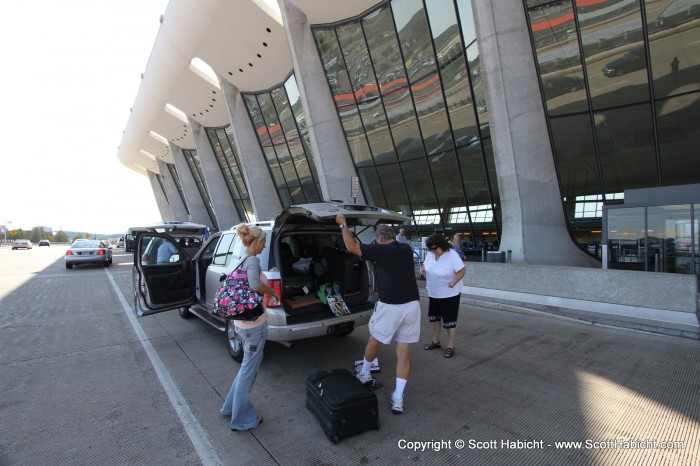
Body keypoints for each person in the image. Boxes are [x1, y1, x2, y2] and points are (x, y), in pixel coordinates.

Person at [336, 215, 420, 415]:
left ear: (380, 238)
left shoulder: (381, 250)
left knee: (374, 339)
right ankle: (398, 398)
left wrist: (343, 224)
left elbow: (351, 247)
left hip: (391, 305)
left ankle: (364, 373)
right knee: (403, 351)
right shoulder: (405, 249)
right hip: (412, 305)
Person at [220, 223, 280, 431]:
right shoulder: (253, 260)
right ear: (255, 242)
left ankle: (230, 408)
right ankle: (241, 419)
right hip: (254, 326)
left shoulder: (240, 259)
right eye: (263, 242)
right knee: (248, 371)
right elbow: (255, 284)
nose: (264, 246)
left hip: (241, 324)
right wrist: (271, 293)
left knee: (246, 368)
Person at [420, 234, 465, 359]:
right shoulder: (431, 254)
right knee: (435, 318)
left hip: (449, 294)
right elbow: (426, 264)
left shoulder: (451, 255)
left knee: (449, 321)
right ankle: (436, 341)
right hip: (434, 293)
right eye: (431, 249)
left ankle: (450, 346)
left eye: (435, 248)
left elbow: (462, 270)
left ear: (442, 245)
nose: (433, 251)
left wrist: (454, 281)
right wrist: (422, 269)